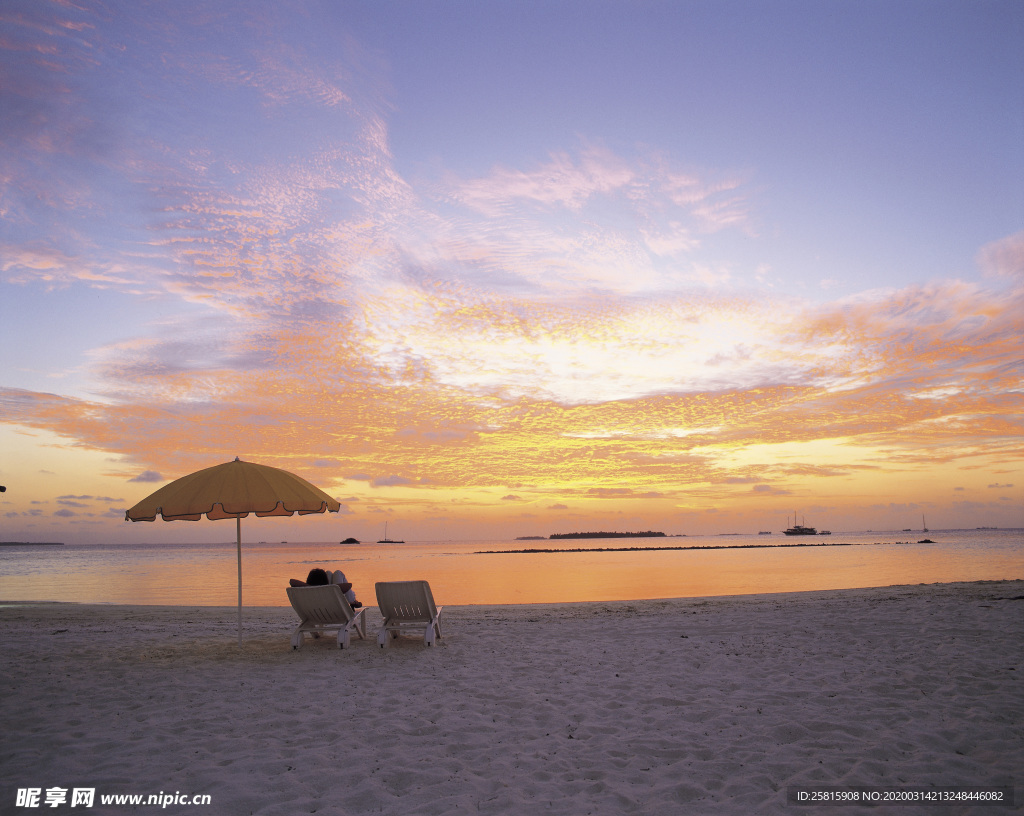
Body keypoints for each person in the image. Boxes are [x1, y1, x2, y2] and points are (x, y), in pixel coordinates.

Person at [289, 567, 362, 607]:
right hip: (335, 610)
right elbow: (349, 585)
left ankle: (353, 601)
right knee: (338, 573)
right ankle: (353, 601)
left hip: (315, 613)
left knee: (328, 573)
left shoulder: (308, 593)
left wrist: (310, 587)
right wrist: (331, 587)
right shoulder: (331, 591)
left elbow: (292, 581)